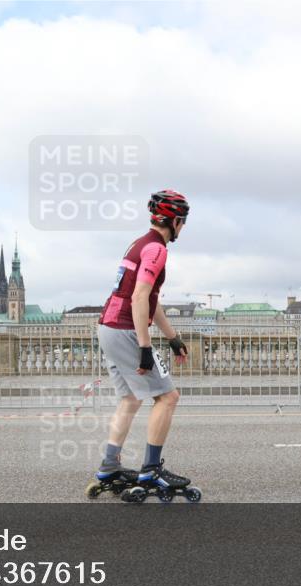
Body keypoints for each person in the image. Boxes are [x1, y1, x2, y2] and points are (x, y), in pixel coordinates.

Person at [91, 189, 198, 502]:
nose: (183, 227)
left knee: (130, 399)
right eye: (183, 222)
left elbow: (151, 300)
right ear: (175, 221)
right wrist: (145, 347)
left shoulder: (139, 243)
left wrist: (172, 336)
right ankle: (151, 470)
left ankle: (110, 467)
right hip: (125, 328)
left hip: (107, 326)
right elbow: (139, 298)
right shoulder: (157, 250)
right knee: (168, 397)